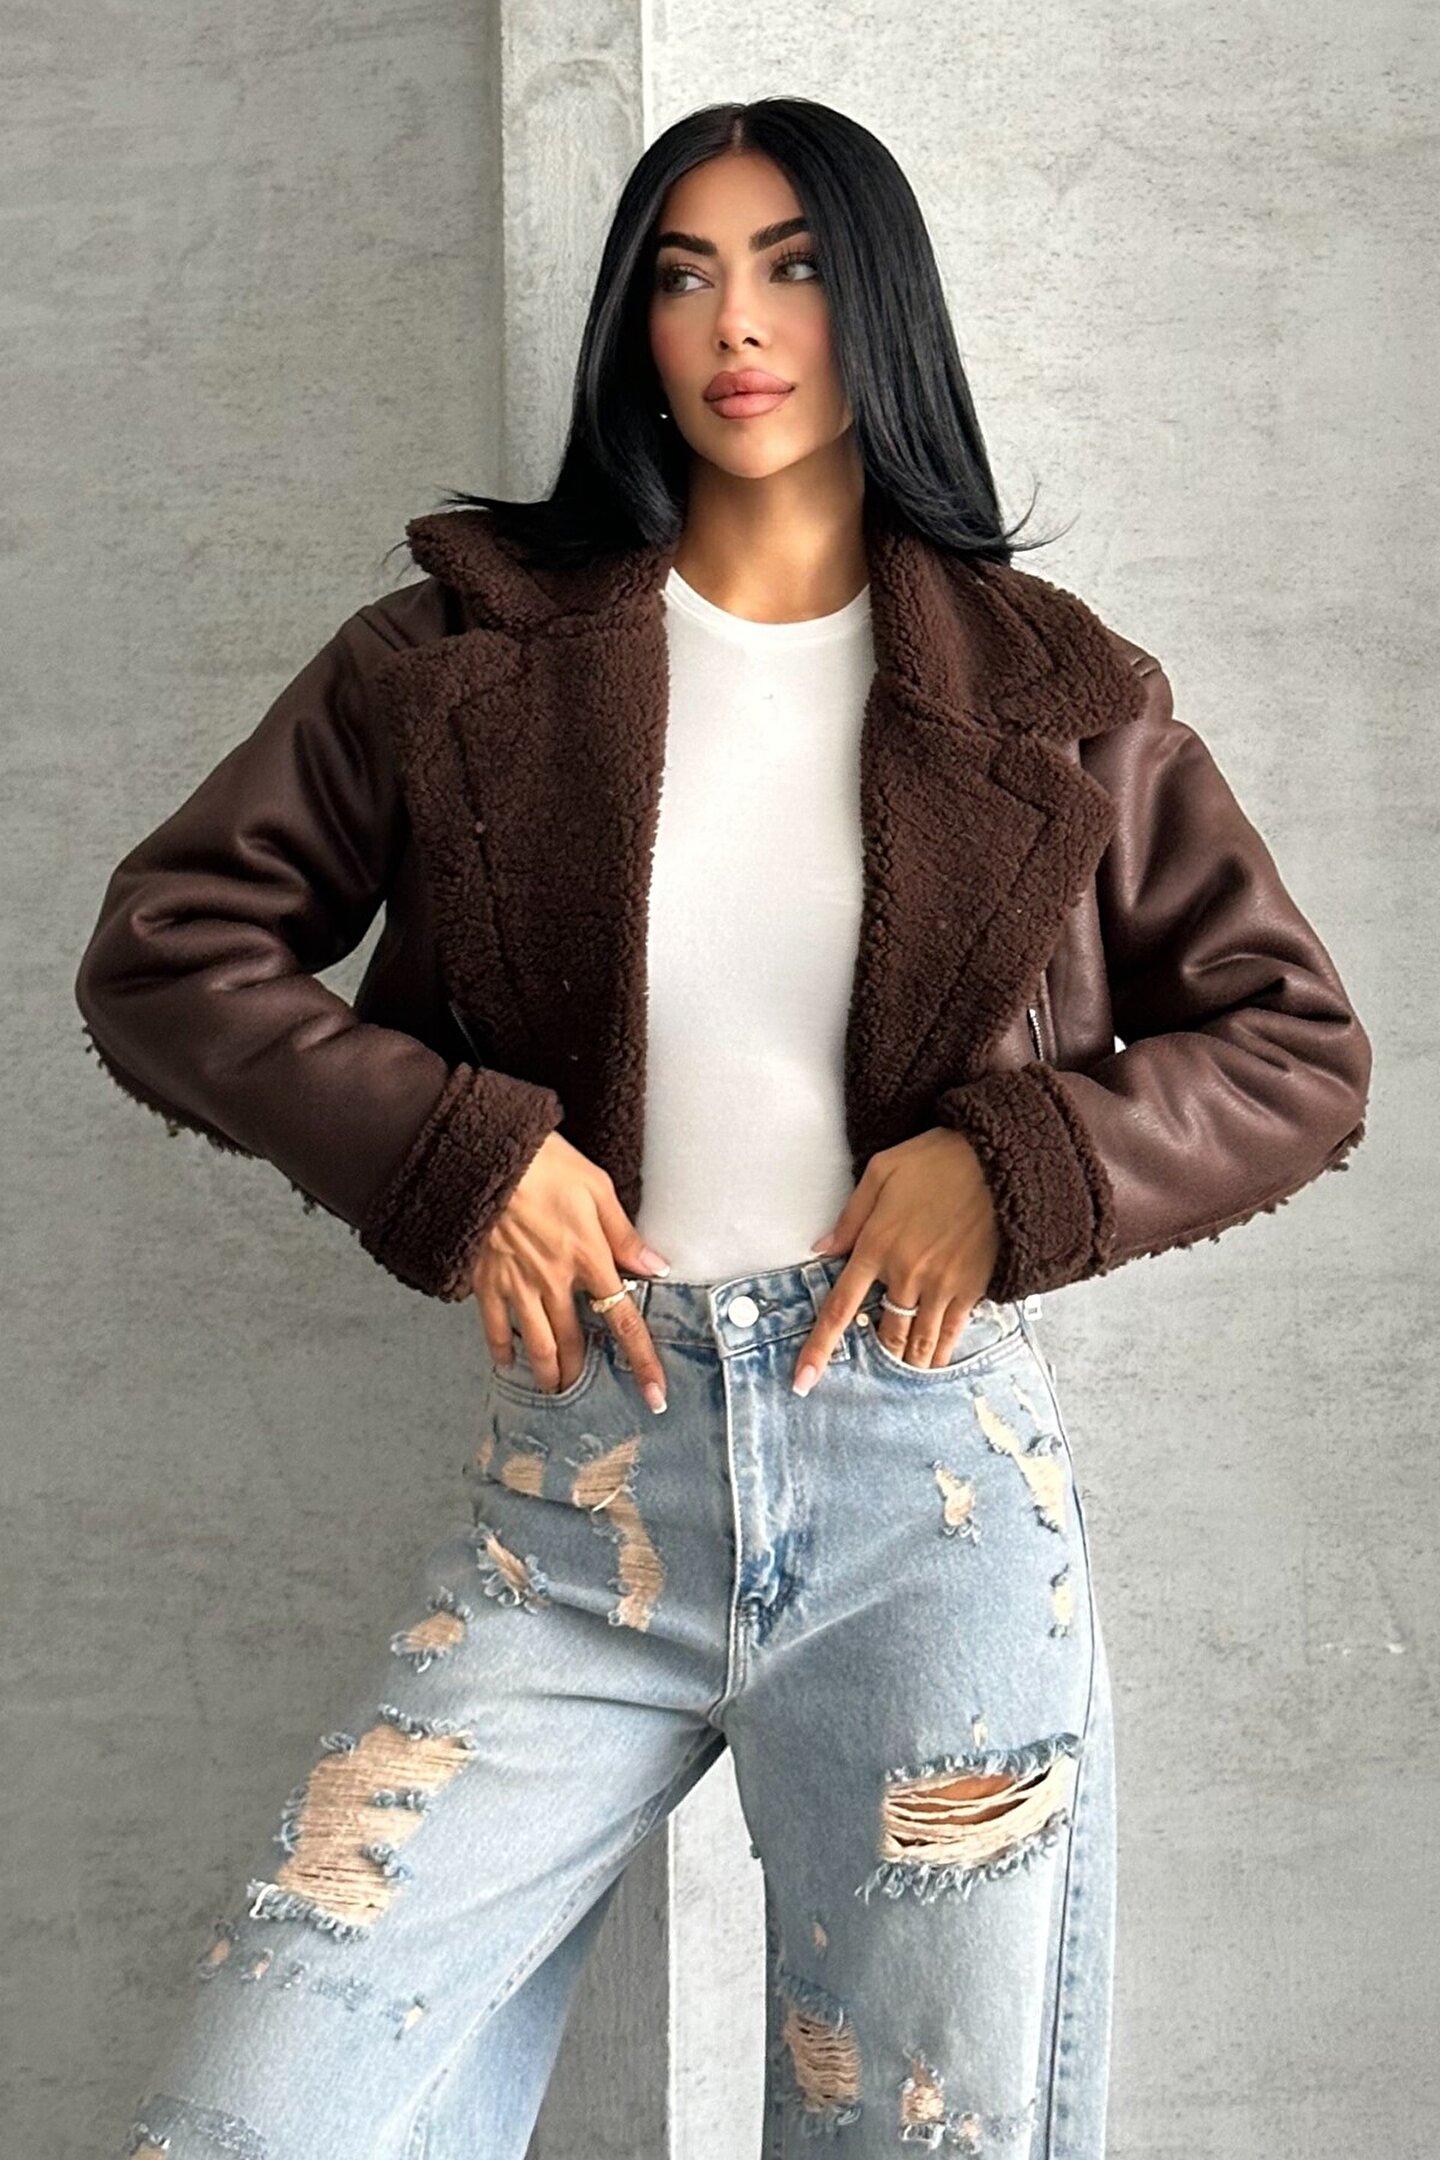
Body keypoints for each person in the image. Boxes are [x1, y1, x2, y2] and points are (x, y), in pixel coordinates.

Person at [76, 96, 1370, 2160]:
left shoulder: (1061, 694)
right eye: (684, 275)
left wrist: (1018, 1166)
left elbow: (1296, 1046)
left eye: (793, 268)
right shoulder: (456, 654)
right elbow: (169, 951)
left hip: (930, 1502)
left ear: (884, 309)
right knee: (264, 2114)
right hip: (570, 1498)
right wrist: (461, 1150)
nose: (737, 324)